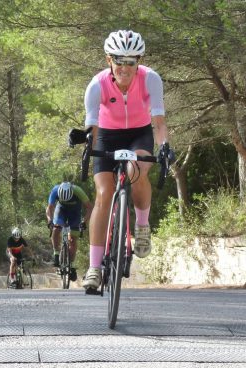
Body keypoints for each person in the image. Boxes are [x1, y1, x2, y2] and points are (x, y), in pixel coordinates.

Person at [81, 30, 174, 291]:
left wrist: (165, 145)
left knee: (137, 171)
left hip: (138, 135)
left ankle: (142, 226)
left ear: (139, 60)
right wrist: (89, 147)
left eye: (131, 61)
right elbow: (93, 128)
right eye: (119, 60)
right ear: (109, 59)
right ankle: (94, 268)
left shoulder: (150, 79)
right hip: (107, 137)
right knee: (103, 193)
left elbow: (158, 121)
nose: (125, 67)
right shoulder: (97, 85)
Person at [46, 182, 93, 271]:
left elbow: (90, 208)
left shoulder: (78, 191)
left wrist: (84, 221)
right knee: (56, 228)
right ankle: (56, 253)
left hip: (75, 212)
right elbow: (50, 208)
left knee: (73, 239)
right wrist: (49, 220)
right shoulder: (55, 190)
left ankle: (70, 263)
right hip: (61, 209)